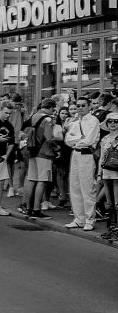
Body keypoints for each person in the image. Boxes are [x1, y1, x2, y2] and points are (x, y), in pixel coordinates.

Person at [63, 97, 100, 232]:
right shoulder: (74, 121)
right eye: (78, 105)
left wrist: (76, 140)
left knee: (87, 188)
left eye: (83, 105)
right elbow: (67, 139)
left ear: (89, 106)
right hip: (76, 154)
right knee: (75, 187)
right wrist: (78, 140)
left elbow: (89, 140)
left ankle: (90, 219)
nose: (80, 108)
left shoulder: (93, 121)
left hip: (86, 155)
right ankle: (79, 219)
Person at [18, 98, 58, 220]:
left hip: (31, 150)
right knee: (43, 181)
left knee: (31, 179)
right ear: (51, 108)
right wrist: (57, 149)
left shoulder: (34, 116)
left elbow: (22, 131)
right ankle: (36, 209)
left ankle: (28, 207)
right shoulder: (47, 119)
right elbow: (49, 137)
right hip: (44, 152)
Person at [96, 113, 118, 242]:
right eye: (110, 121)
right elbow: (101, 159)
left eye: (116, 121)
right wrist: (99, 174)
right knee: (110, 204)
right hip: (106, 174)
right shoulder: (104, 139)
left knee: (117, 203)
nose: (113, 124)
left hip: (117, 175)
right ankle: (112, 228)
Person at [52, 105, 73, 209]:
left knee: (67, 173)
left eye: (66, 113)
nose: (64, 115)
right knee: (60, 172)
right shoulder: (56, 124)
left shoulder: (71, 123)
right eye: (62, 113)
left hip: (69, 149)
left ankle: (67, 195)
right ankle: (62, 195)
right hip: (59, 149)